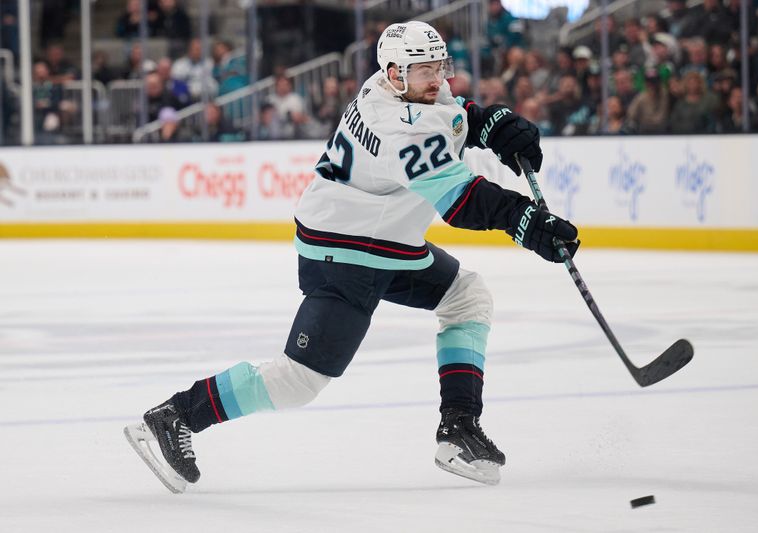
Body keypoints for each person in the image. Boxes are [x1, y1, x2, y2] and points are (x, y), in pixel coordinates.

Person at [125, 21, 579, 492]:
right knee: (298, 380)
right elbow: (462, 202)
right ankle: (177, 414)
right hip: (344, 252)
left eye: (438, 66)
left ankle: (459, 428)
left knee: (467, 297)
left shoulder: (395, 88)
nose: (435, 77)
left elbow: (452, 112)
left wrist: (493, 124)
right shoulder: (398, 128)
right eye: (424, 69)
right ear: (395, 71)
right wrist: (526, 222)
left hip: (385, 241)